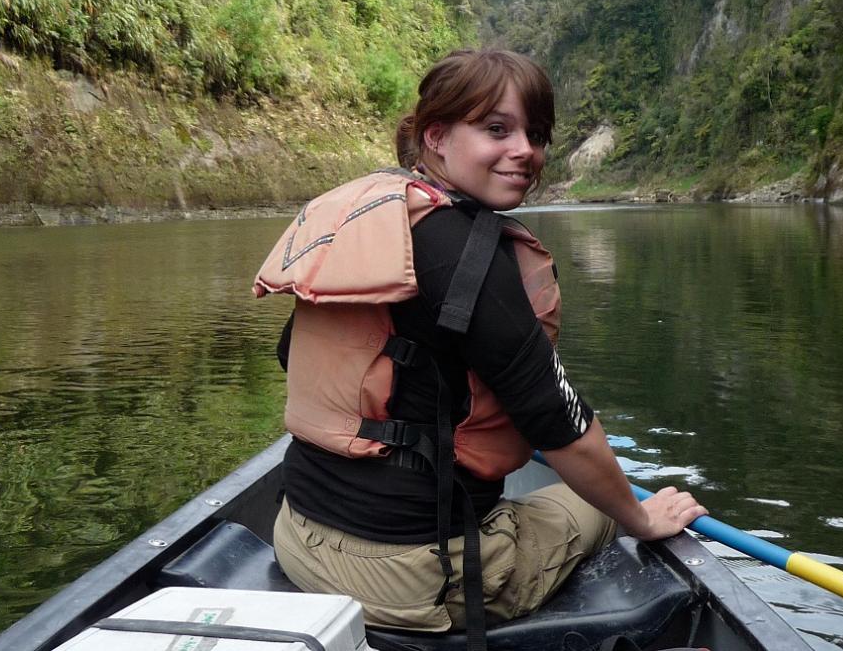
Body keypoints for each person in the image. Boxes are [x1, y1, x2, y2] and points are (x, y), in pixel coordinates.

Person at [252, 49, 705, 641]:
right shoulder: (469, 255)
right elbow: (560, 426)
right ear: (437, 137)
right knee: (597, 500)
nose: (526, 151)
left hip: (299, 536)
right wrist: (641, 518)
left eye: (536, 134)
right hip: (410, 580)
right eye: (497, 129)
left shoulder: (371, 222)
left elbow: (295, 355)